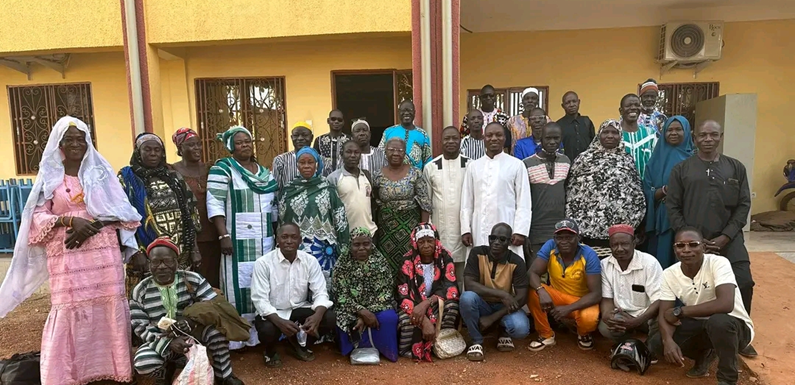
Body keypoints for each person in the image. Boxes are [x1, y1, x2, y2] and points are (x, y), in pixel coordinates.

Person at [0, 116, 141, 385]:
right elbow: (36, 217)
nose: (76, 143)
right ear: (59, 143)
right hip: (67, 253)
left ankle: (113, 368)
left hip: (103, 253)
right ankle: (67, 374)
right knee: (69, 308)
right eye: (69, 139)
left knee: (107, 306)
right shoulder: (50, 176)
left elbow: (126, 212)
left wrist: (92, 224)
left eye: (81, 138)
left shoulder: (102, 173)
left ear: (88, 142)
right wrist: (68, 220)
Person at [666, 120, 757, 358]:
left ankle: (740, 336)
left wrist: (726, 236)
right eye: (703, 135)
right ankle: (704, 337)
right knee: (699, 288)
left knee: (744, 283)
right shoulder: (681, 169)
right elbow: (673, 206)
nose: (708, 139)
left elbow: (743, 205)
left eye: (713, 135)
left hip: (729, 238)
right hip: (694, 242)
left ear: (720, 137)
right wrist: (691, 239)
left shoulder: (735, 167)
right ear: (695, 138)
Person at [131, 238, 244, 385]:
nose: (162, 267)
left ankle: (224, 376)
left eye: (167, 261)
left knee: (216, 334)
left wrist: (191, 322)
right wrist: (167, 343)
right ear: (149, 263)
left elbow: (213, 306)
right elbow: (140, 326)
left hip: (194, 334)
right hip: (160, 338)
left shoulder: (193, 279)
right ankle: (165, 373)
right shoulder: (140, 290)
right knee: (143, 362)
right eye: (156, 262)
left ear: (177, 262)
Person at [649, 227, 754, 385]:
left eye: (693, 244)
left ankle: (727, 379)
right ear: (675, 249)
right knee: (657, 342)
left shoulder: (718, 263)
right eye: (680, 245)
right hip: (700, 326)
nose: (686, 250)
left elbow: (725, 304)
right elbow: (665, 313)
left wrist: (681, 311)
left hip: (734, 326)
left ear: (704, 247)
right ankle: (704, 355)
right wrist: (667, 341)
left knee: (719, 322)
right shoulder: (669, 274)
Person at [207, 125, 279, 349]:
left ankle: (262, 335)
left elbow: (273, 206)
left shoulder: (265, 173)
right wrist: (223, 235)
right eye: (239, 142)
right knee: (237, 287)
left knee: (263, 285)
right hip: (235, 241)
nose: (245, 145)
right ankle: (238, 338)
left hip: (265, 241)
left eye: (247, 140)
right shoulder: (223, 169)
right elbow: (215, 202)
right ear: (231, 146)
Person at [119, 132, 201, 291]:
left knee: (181, 295)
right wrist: (135, 253)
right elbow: (123, 219)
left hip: (180, 252)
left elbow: (191, 214)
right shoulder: (127, 178)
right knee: (149, 298)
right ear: (138, 152)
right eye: (147, 149)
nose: (153, 154)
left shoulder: (173, 176)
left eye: (157, 150)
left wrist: (194, 249)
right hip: (145, 253)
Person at [251, 223, 336, 367]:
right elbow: (260, 300)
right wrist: (280, 322)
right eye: (284, 237)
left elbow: (321, 292)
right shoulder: (263, 263)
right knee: (267, 330)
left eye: (293, 237)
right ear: (277, 240)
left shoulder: (310, 261)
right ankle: (269, 352)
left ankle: (300, 345)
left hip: (299, 307)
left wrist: (317, 316)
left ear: (300, 240)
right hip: (274, 311)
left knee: (329, 318)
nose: (289, 241)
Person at [566, 119, 646, 258]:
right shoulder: (584, 159)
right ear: (599, 135)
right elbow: (573, 192)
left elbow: (636, 193)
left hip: (619, 231)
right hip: (587, 231)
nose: (610, 136)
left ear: (620, 136)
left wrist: (636, 225)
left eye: (614, 132)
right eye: (606, 132)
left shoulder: (627, 160)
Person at [527, 219, 601, 351]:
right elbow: (532, 272)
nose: (564, 241)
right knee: (533, 290)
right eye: (559, 237)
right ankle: (546, 335)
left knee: (589, 318)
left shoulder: (589, 254)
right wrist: (541, 290)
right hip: (557, 298)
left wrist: (569, 308)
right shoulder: (550, 246)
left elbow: (596, 294)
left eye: (569, 237)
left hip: (581, 301)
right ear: (554, 239)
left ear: (578, 238)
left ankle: (583, 334)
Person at [461, 223, 530, 361]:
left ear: (510, 242)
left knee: (521, 328)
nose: (496, 243)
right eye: (493, 238)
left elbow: (522, 297)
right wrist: (502, 294)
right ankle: (476, 341)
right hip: (482, 304)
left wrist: (492, 318)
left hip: (504, 307)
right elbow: (469, 285)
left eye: (502, 240)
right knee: (467, 298)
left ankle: (502, 331)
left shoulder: (517, 262)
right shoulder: (477, 253)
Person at [279, 147, 350, 281]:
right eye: (302, 162)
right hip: (295, 248)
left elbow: (340, 219)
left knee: (323, 288)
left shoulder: (328, 188)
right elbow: (282, 220)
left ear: (317, 164)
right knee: (297, 287)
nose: (306, 166)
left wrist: (344, 247)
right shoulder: (288, 190)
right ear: (297, 165)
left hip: (324, 250)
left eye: (310, 162)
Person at [461, 122, 532, 257]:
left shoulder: (517, 165)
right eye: (489, 135)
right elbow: (466, 202)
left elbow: (524, 202)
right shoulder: (473, 166)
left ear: (505, 139)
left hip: (508, 228)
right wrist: (465, 230)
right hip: (478, 230)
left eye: (498, 135)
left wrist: (520, 231)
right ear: (484, 139)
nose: (494, 138)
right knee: (479, 269)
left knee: (508, 271)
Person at [333, 227, 399, 362]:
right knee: (343, 320)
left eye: (366, 244)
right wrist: (360, 311)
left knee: (389, 318)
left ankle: (384, 350)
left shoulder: (380, 262)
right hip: (350, 309)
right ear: (350, 245)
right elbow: (340, 295)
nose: (362, 248)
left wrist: (367, 314)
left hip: (378, 308)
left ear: (371, 244)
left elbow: (386, 293)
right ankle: (354, 350)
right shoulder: (342, 264)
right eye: (356, 244)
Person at [396, 223, 460, 361]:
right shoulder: (407, 261)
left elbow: (450, 287)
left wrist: (427, 303)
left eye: (430, 241)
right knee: (408, 319)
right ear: (415, 243)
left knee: (451, 307)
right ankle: (409, 349)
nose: (426, 245)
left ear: (435, 241)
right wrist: (424, 320)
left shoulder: (444, 257)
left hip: (435, 303)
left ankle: (441, 343)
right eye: (421, 241)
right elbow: (403, 295)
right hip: (414, 304)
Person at [373, 137, 432, 272]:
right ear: (385, 152)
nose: (395, 153)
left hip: (409, 227)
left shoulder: (415, 173)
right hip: (386, 229)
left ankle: (408, 291)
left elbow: (424, 202)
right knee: (386, 264)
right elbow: (375, 200)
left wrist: (422, 229)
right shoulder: (378, 175)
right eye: (391, 150)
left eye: (399, 150)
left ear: (405, 152)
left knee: (409, 262)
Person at [172, 127, 222, 287]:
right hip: (190, 238)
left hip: (216, 234)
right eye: (191, 145)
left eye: (198, 144)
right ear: (180, 148)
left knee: (216, 279)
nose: (197, 148)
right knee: (195, 282)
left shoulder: (211, 169)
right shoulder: (173, 171)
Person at [598, 224, 662, 344]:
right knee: (605, 328)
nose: (620, 248)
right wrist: (608, 316)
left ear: (634, 243)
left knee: (662, 321)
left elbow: (659, 300)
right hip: (622, 315)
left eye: (625, 244)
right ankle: (628, 345)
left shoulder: (650, 263)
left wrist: (636, 322)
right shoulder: (604, 265)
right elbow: (607, 299)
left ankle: (649, 348)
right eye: (615, 245)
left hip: (647, 315)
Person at [643, 116, 693, 269]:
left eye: (678, 129)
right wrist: (665, 190)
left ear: (687, 132)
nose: (673, 133)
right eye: (669, 130)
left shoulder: (695, 158)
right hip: (663, 218)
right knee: (662, 260)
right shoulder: (655, 159)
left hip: (688, 216)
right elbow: (647, 190)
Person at [423, 126, 470, 282]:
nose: (450, 142)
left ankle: (463, 303)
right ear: (440, 142)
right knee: (441, 271)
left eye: (454, 138)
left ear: (460, 141)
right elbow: (426, 202)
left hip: (464, 229)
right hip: (440, 227)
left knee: (464, 273)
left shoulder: (470, 165)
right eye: (446, 139)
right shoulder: (431, 167)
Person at [522, 123, 571, 260]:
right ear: (541, 139)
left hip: (561, 230)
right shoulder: (526, 164)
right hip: (536, 231)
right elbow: (522, 201)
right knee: (535, 272)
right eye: (548, 138)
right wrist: (525, 233)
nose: (552, 142)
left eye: (556, 138)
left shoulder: (566, 161)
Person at [327, 140, 377, 234]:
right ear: (342, 154)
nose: (353, 155)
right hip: (345, 235)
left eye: (356, 152)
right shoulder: (333, 178)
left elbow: (372, 204)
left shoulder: (367, 175)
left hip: (369, 232)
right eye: (348, 152)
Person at [378, 100, 432, 169]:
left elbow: (427, 160)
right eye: (403, 110)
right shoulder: (388, 132)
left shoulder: (422, 134)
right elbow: (380, 156)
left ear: (414, 112)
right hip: (391, 176)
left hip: (416, 178)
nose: (406, 113)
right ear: (399, 113)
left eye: (409, 110)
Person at [459, 85, 511, 151]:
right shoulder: (470, 117)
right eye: (485, 96)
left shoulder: (504, 117)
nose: (488, 98)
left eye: (491, 96)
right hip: (474, 152)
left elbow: (507, 141)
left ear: (495, 98)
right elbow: (463, 136)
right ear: (480, 98)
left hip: (497, 152)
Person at [619, 93, 658, 179]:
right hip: (620, 189)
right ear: (621, 111)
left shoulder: (650, 135)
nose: (633, 108)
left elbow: (657, 162)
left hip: (645, 189)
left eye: (637, 105)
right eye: (628, 105)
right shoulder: (613, 135)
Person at [556, 91, 596, 161]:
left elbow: (594, 143)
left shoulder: (587, 121)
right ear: (563, 106)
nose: (571, 105)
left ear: (579, 102)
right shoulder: (558, 125)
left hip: (586, 165)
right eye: (567, 102)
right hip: (567, 166)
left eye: (574, 101)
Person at [273, 122, 314, 189]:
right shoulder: (280, 160)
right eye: (296, 135)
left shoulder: (322, 161)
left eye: (304, 135)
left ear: (312, 137)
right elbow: (276, 188)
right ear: (292, 138)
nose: (300, 138)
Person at [313, 109, 350, 177]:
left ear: (343, 122)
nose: (336, 122)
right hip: (323, 179)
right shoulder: (319, 140)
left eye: (339, 120)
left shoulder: (350, 140)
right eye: (333, 119)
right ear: (328, 121)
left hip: (344, 179)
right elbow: (314, 161)